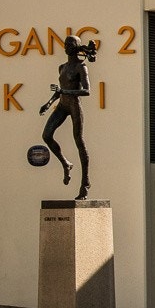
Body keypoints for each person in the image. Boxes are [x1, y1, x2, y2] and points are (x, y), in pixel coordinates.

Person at [40, 35, 96, 200]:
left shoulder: (81, 67)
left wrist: (64, 92)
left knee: (79, 141)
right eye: (65, 44)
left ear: (77, 47)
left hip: (74, 106)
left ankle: (85, 184)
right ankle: (66, 163)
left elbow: (87, 91)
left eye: (70, 44)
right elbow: (59, 91)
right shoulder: (62, 67)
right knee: (46, 135)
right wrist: (48, 104)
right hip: (62, 105)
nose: (66, 47)